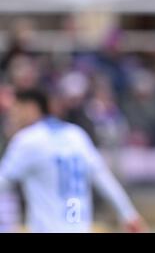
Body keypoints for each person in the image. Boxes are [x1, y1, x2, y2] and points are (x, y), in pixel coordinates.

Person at [0, 88, 147, 233]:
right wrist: (128, 214)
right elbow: (104, 179)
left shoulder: (27, 141)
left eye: (15, 110)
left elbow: (3, 182)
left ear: (30, 108)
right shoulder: (76, 134)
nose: (12, 118)